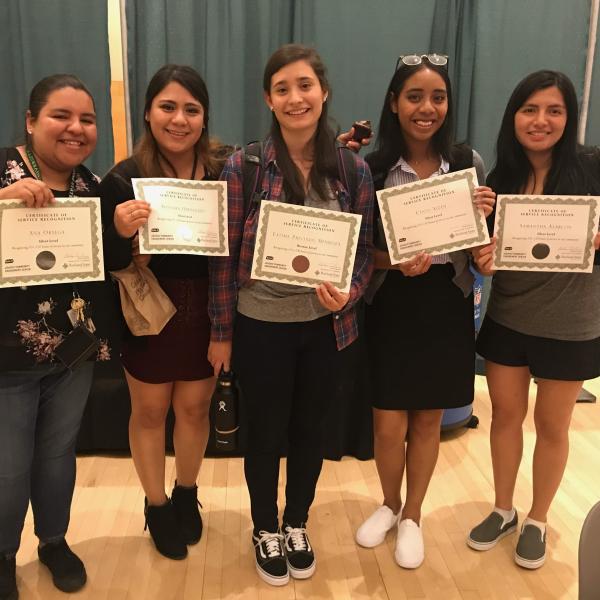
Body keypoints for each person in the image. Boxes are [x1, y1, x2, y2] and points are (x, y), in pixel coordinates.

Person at [207, 44, 374, 586]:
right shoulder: (245, 165)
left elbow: (365, 252)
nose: (295, 97)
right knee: (267, 431)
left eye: (305, 85)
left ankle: (296, 520)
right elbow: (225, 257)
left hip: (326, 327)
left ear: (323, 93)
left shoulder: (352, 169)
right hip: (260, 326)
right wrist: (223, 333)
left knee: (311, 430)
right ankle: (264, 527)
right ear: (268, 100)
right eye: (283, 88)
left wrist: (347, 294)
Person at [349, 54, 495, 569]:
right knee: (387, 425)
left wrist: (486, 229)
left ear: (448, 104)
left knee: (428, 422)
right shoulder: (370, 168)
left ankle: (413, 514)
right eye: (414, 96)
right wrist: (394, 261)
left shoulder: (467, 163)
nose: (426, 108)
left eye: (437, 97)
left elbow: (482, 247)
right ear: (394, 103)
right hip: (391, 303)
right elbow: (359, 250)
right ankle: (388, 504)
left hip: (446, 305)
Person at [467, 70, 600, 569]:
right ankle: (503, 508)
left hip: (571, 323)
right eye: (530, 110)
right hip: (510, 317)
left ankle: (539, 518)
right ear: (514, 117)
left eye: (554, 110)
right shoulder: (498, 179)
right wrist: (484, 260)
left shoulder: (593, 167)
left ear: (568, 117)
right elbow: (489, 254)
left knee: (552, 425)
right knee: (505, 418)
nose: (541, 121)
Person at [100, 65, 228, 561]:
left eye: (191, 109)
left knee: (194, 410)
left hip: (208, 308)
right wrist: (124, 236)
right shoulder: (123, 178)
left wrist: (225, 326)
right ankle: (156, 505)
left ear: (204, 117)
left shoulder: (224, 170)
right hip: (149, 311)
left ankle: (187, 492)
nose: (179, 119)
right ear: (149, 113)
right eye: (167, 107)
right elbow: (107, 265)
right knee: (150, 413)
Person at [0, 74, 111, 600]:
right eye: (60, 116)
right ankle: (2, 552)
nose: (75, 128)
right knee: (7, 465)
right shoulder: (2, 168)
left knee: (57, 454)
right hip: (6, 356)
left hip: (74, 351)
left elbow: (107, 266)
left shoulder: (92, 186)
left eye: (87, 120)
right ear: (30, 121)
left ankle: (53, 541)